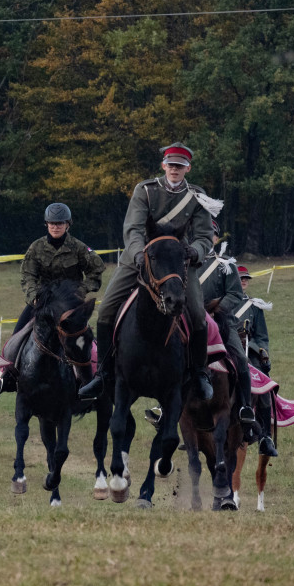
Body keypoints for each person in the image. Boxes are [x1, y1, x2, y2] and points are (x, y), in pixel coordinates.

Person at [79, 142, 219, 401]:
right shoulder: (145, 190)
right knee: (107, 307)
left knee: (198, 314)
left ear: (188, 168)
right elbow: (132, 229)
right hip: (141, 257)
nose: (175, 169)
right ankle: (104, 374)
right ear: (163, 165)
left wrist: (195, 252)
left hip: (178, 261)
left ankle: (199, 372)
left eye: (180, 166)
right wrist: (138, 255)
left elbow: (203, 236)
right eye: (171, 165)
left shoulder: (197, 197)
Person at [0, 202, 105, 397]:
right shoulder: (36, 247)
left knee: (84, 338)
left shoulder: (79, 247)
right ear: (46, 224)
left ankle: (92, 380)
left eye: (60, 223)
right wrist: (33, 297)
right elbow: (27, 276)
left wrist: (81, 291)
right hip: (42, 303)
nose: (56, 226)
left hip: (69, 306)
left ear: (68, 224)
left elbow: (97, 270)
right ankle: (4, 375)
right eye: (52, 223)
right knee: (17, 335)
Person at [198, 222, 265, 450]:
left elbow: (235, 293)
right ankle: (165, 409)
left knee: (241, 361)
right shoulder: (186, 262)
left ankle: (245, 408)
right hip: (192, 322)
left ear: (216, 239)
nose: (207, 238)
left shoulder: (225, 265)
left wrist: (215, 309)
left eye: (211, 235)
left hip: (221, 322)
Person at [235, 265, 278, 456]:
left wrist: (263, 353)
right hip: (224, 347)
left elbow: (261, 337)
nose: (244, 281)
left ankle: (264, 438)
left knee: (264, 388)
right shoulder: (219, 302)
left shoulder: (254, 306)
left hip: (248, 352)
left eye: (246, 278)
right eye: (241, 278)